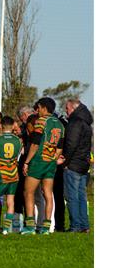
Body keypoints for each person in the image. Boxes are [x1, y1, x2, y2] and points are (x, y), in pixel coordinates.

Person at [21, 97, 65, 235]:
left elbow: (34, 144)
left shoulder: (41, 121)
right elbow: (60, 148)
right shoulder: (60, 124)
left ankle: (29, 227)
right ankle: (46, 228)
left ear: (44, 108)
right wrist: (53, 159)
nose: (37, 110)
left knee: (28, 192)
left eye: (38, 107)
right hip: (50, 163)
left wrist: (27, 162)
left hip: (38, 161)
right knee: (47, 194)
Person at [60, 99, 93, 233]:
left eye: (67, 108)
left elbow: (71, 144)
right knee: (81, 196)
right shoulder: (86, 123)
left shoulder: (75, 123)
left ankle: (75, 226)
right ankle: (84, 225)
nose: (66, 111)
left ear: (73, 108)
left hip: (73, 165)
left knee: (71, 196)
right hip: (83, 165)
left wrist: (65, 161)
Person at [14, 106, 35, 232]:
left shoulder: (33, 128)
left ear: (26, 115)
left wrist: (25, 156)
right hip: (26, 163)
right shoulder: (24, 129)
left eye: (22, 119)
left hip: (30, 164)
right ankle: (20, 222)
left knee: (29, 193)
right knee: (22, 194)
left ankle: (30, 223)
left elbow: (33, 145)